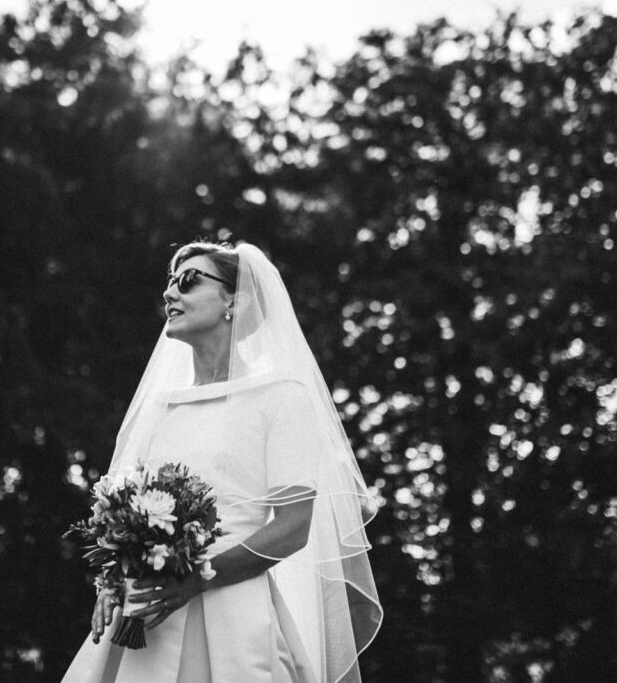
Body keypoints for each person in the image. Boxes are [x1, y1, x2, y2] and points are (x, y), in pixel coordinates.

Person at [60, 241, 382, 683]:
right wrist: (112, 580)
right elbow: (125, 516)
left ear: (236, 300)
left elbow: (292, 527)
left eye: (189, 281)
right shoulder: (161, 408)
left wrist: (197, 580)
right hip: (146, 618)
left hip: (235, 615)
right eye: (171, 283)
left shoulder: (282, 397)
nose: (171, 293)